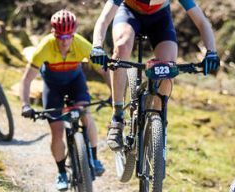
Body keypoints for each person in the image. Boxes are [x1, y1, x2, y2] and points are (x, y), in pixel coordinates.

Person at [89, 0, 219, 151]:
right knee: (122, 48)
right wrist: (97, 46)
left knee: (168, 65)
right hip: (129, 14)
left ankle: (156, 118)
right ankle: (117, 117)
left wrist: (211, 52)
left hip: (160, 18)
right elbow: (104, 19)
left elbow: (202, 21)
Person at [20, 10, 112, 191]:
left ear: (73, 34)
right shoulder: (45, 46)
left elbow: (104, 70)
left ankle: (93, 158)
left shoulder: (81, 45)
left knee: (85, 114)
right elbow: (27, 79)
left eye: (68, 36)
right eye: (60, 36)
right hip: (52, 87)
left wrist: (113, 94)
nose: (64, 41)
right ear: (54, 33)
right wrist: (25, 105)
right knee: (57, 130)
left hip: (75, 82)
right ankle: (61, 171)